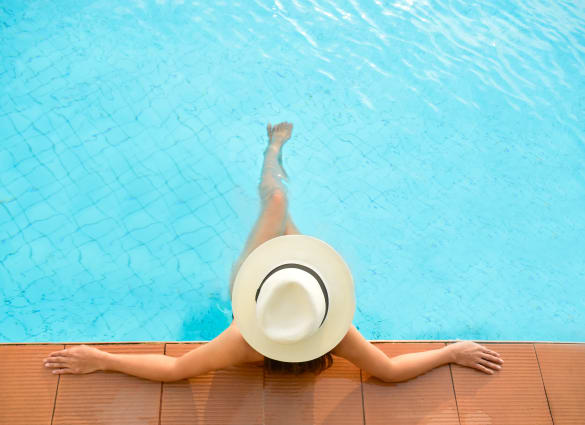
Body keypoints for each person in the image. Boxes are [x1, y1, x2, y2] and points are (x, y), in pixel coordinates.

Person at [42, 122, 504, 382]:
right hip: (286, 287)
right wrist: (450, 351)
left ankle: (272, 148)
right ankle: (276, 152)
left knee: (277, 202)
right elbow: (388, 371)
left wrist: (102, 358)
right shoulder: (337, 334)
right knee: (283, 210)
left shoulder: (244, 336)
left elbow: (178, 369)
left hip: (256, 285)